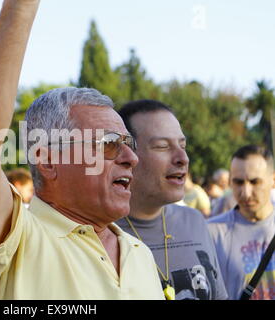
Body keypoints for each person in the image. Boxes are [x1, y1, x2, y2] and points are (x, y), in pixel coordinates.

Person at [0, 0, 164, 300]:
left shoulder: (139, 254)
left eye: (129, 144)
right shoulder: (17, 238)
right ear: (48, 160)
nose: (132, 158)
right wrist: (21, 7)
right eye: (110, 144)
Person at [116, 99, 228, 300]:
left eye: (182, 145)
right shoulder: (99, 235)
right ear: (126, 156)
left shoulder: (195, 222)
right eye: (162, 146)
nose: (182, 158)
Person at [208, 145, 275, 300]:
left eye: (255, 182)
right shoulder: (212, 232)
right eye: (238, 182)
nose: (246, 192)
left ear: (273, 180)